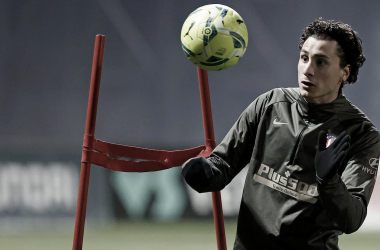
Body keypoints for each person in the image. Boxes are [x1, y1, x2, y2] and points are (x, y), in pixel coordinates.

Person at [181, 18, 380, 250]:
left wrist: (328, 181)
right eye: (304, 58)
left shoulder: (362, 134)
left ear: (345, 72)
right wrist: (203, 172)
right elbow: (222, 166)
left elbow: (352, 219)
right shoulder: (270, 104)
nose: (308, 69)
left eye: (321, 62)